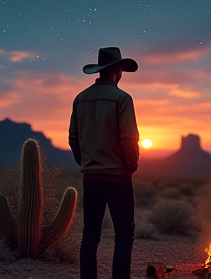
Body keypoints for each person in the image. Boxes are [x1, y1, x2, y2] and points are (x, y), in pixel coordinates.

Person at [68, 47, 140, 279]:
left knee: (90, 236)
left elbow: (73, 139)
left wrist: (87, 162)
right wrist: (130, 167)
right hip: (118, 177)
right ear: (118, 71)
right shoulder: (122, 98)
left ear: (100, 71)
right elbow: (129, 138)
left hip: (92, 178)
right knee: (123, 236)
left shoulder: (80, 99)